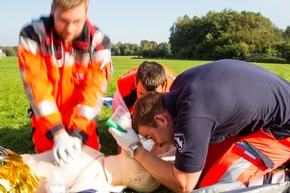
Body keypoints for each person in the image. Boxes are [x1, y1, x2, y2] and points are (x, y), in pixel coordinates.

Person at [109, 59, 290, 192]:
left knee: (214, 187)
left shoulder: (194, 116)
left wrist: (136, 149)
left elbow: (183, 184)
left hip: (282, 127)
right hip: (262, 112)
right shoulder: (180, 87)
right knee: (198, 164)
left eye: (150, 137)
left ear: (162, 120)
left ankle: (284, 182)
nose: (156, 144)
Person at [18, 0, 112, 166]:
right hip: (46, 122)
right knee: (49, 169)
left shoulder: (98, 41)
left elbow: (93, 94)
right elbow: (37, 88)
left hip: (83, 122)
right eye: (63, 20)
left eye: (77, 21)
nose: (69, 29)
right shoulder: (33, 35)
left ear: (86, 13)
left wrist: (77, 135)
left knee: (90, 167)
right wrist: (58, 133)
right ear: (53, 10)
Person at [0, 145, 160, 193]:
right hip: (10, 156)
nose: (143, 153)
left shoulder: (98, 185)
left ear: (135, 179)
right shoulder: (99, 156)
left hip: (11, 181)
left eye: (145, 161)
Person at [112, 61, 176, 114]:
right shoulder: (124, 90)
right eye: (142, 93)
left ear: (164, 85)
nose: (147, 100)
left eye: (154, 94)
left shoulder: (175, 90)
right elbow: (119, 123)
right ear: (135, 82)